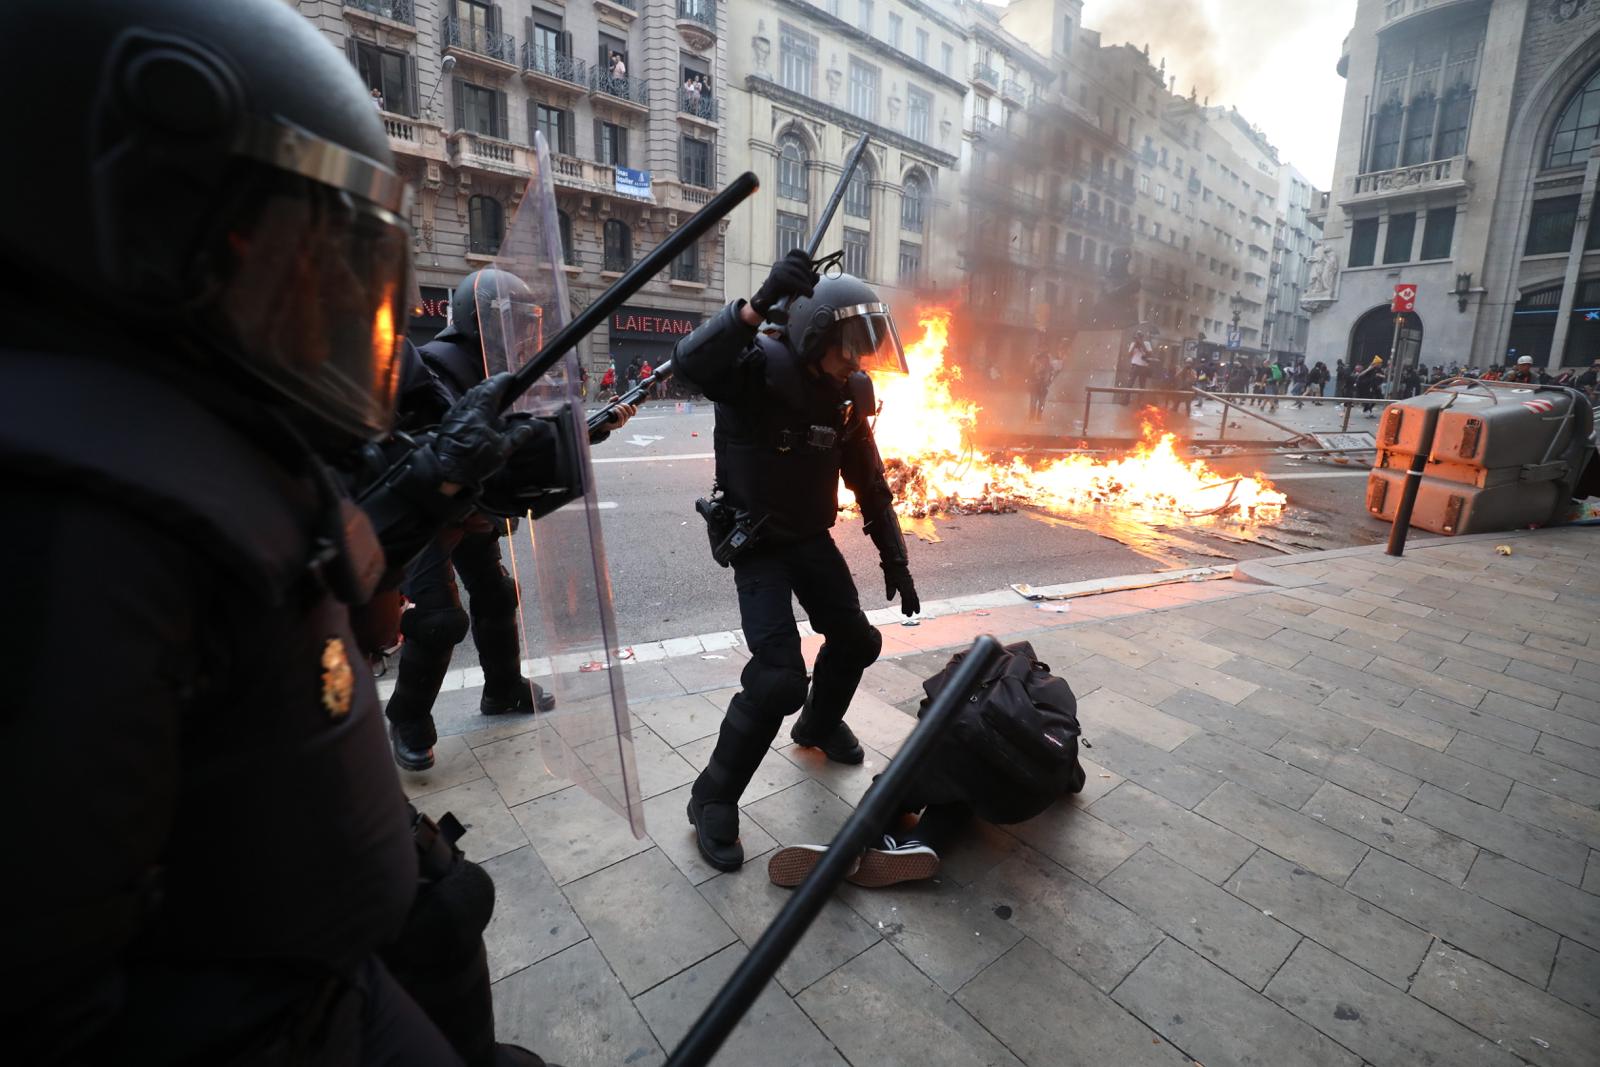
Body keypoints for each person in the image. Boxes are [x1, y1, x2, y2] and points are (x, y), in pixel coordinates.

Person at [0, 1, 559, 1061]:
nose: (326, 300)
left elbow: (282, 590)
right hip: (288, 1012)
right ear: (145, 225)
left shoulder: (188, 424)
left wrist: (407, 514)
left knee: (445, 908)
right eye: (289, 253)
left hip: (321, 933)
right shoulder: (66, 516)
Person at [672, 251, 921, 872]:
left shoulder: (847, 395)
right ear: (814, 332)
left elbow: (869, 482)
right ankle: (711, 797)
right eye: (848, 344)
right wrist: (752, 308)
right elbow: (688, 364)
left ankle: (816, 725)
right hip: (758, 542)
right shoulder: (757, 369)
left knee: (858, 641)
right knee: (779, 676)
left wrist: (897, 559)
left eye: (865, 347)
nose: (857, 359)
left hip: (811, 539)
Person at [386, 272, 636, 771]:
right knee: (438, 620)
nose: (524, 335)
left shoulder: (503, 368)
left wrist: (589, 430)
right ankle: (407, 717)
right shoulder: (439, 364)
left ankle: (501, 689)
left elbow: (519, 440)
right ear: (481, 323)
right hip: (429, 515)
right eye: (514, 323)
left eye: (528, 323)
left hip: (474, 509)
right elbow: (444, 449)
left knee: (499, 596)